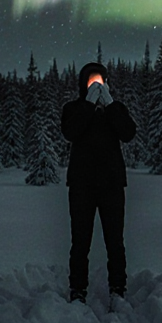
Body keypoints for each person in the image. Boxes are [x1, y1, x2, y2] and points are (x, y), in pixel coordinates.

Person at [61, 61, 137, 304]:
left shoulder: (115, 109)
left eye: (100, 81)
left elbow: (128, 133)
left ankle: (117, 288)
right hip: (81, 186)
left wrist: (111, 104)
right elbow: (71, 132)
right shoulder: (73, 108)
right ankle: (78, 290)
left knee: (115, 241)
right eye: (91, 81)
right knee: (80, 242)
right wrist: (88, 105)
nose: (96, 85)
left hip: (112, 185)